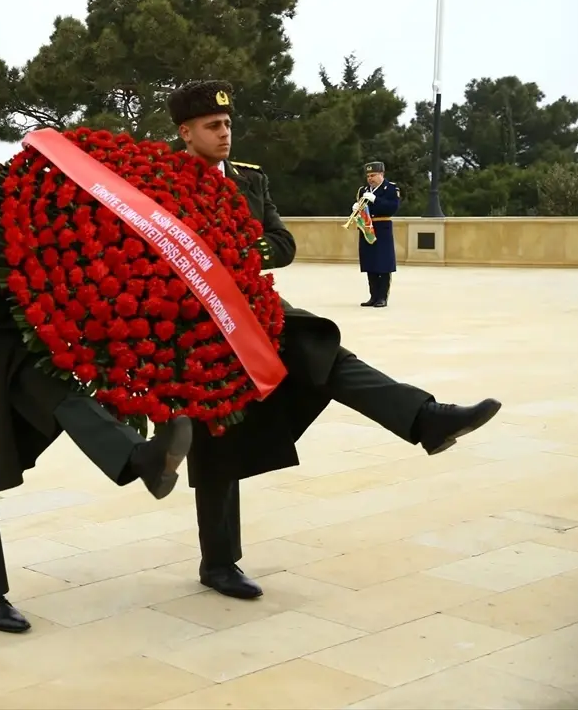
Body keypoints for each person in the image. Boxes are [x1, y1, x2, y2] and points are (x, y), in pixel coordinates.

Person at [166, 80, 502, 600]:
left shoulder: (250, 179)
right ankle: (219, 562)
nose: (225, 132)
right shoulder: (154, 179)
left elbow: (282, 241)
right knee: (217, 435)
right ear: (185, 131)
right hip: (192, 324)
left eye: (228, 123)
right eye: (212, 126)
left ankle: (425, 419)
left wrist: (237, 251)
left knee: (323, 352)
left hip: (254, 309)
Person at [0, 68, 195, 634]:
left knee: (61, 394)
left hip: (12, 329)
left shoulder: (10, 177)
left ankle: (143, 460)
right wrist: (17, 239)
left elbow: (51, 229)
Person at [355, 161, 400, 307]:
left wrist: (375, 199)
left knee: (383, 264)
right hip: (367, 228)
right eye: (368, 176)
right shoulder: (363, 190)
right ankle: (373, 296)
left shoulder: (391, 188)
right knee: (370, 263)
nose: (370, 178)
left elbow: (393, 207)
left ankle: (382, 297)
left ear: (381, 174)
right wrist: (356, 209)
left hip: (382, 228)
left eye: (373, 175)